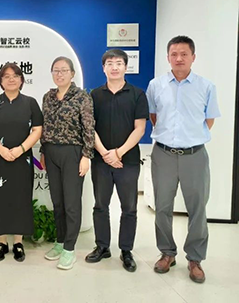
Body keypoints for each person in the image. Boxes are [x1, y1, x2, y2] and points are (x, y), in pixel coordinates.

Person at [146, 36, 220, 284]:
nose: (179, 58)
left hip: (194, 155)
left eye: (184, 54)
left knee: (197, 208)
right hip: (163, 155)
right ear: (168, 57)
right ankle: (167, 253)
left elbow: (209, 120)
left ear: (193, 57)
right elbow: (154, 116)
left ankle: (195, 258)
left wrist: (189, 138)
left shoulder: (206, 86)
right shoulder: (155, 85)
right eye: (174, 54)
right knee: (162, 207)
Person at [84, 49, 148, 272]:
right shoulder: (94, 95)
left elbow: (140, 129)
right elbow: (89, 128)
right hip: (101, 161)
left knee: (129, 207)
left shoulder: (137, 94)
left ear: (125, 67)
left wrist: (118, 153)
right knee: (100, 205)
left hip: (127, 161)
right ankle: (102, 246)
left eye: (118, 63)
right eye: (109, 63)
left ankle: (126, 250)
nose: (114, 67)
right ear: (103, 68)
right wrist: (105, 153)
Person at [0, 63, 43, 262]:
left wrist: (20, 149)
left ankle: (18, 242)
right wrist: (1, 149)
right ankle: (2, 242)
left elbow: (37, 130)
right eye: (6, 76)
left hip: (22, 159)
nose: (11, 79)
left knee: (20, 197)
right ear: (0, 80)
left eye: (15, 75)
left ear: (21, 79)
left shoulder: (30, 103)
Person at [40, 56, 95, 270]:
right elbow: (45, 126)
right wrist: (43, 152)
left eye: (64, 70)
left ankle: (70, 248)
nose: (59, 74)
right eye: (56, 70)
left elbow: (88, 127)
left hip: (73, 152)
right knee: (57, 201)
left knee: (71, 202)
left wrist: (86, 155)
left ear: (72, 73)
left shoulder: (82, 97)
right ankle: (60, 241)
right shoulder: (48, 97)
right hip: (51, 152)